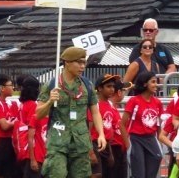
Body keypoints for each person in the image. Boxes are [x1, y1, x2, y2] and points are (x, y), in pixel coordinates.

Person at [36, 46, 106, 178]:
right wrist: (50, 102)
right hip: (58, 142)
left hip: (81, 142)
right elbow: (38, 114)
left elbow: (95, 112)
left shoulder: (87, 85)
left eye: (84, 62)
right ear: (67, 63)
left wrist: (101, 134)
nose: (82, 66)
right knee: (57, 174)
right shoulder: (52, 85)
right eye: (78, 62)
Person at [123, 71, 163, 178]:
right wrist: (127, 143)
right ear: (145, 84)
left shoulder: (157, 102)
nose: (156, 85)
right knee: (139, 173)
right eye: (153, 82)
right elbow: (122, 123)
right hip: (136, 139)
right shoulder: (134, 101)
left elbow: (158, 124)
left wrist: (160, 140)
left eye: (156, 82)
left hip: (151, 139)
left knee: (156, 159)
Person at [88, 74, 119, 178]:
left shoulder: (110, 104)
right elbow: (88, 130)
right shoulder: (94, 105)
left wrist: (110, 153)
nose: (112, 89)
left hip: (106, 145)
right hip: (95, 145)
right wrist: (91, 152)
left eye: (113, 86)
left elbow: (109, 132)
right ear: (100, 88)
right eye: (108, 86)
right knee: (96, 175)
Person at [0, 74, 20, 178]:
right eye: (10, 85)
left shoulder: (9, 103)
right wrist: (16, 123)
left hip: (10, 140)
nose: (13, 87)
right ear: (2, 88)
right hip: (1, 142)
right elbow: (4, 126)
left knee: (8, 172)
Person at [17, 76, 45, 178]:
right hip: (33, 149)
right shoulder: (33, 105)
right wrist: (33, 158)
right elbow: (31, 131)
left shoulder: (22, 104)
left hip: (23, 147)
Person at [109, 79, 130, 178]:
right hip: (113, 149)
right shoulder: (108, 108)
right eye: (124, 90)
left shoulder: (114, 108)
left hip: (119, 149)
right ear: (119, 92)